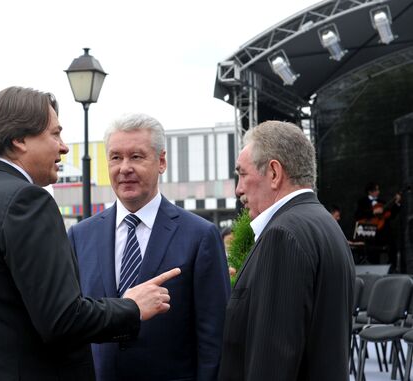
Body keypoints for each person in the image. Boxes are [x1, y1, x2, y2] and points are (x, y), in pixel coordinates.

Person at [0, 87, 181, 381]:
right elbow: (63, 320)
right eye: (55, 134)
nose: (63, 147)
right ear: (19, 139)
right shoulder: (26, 202)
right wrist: (131, 307)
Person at [68, 113, 231, 381]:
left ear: (162, 162)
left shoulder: (200, 236)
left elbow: (214, 337)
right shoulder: (80, 236)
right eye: (116, 157)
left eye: (137, 156)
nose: (125, 168)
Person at [218, 120, 355, 381]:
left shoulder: (283, 235)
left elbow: (271, 362)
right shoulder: (325, 224)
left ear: (273, 173)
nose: (238, 189)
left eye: (242, 174)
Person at [354, 182, 401, 269]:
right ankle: (373, 267)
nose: (378, 192)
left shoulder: (382, 202)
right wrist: (373, 212)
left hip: (383, 233)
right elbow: (358, 215)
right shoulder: (362, 202)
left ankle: (391, 267)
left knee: (392, 243)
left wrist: (397, 203)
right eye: (376, 190)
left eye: (378, 190)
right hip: (370, 230)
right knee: (371, 247)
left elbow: (391, 215)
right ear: (370, 191)